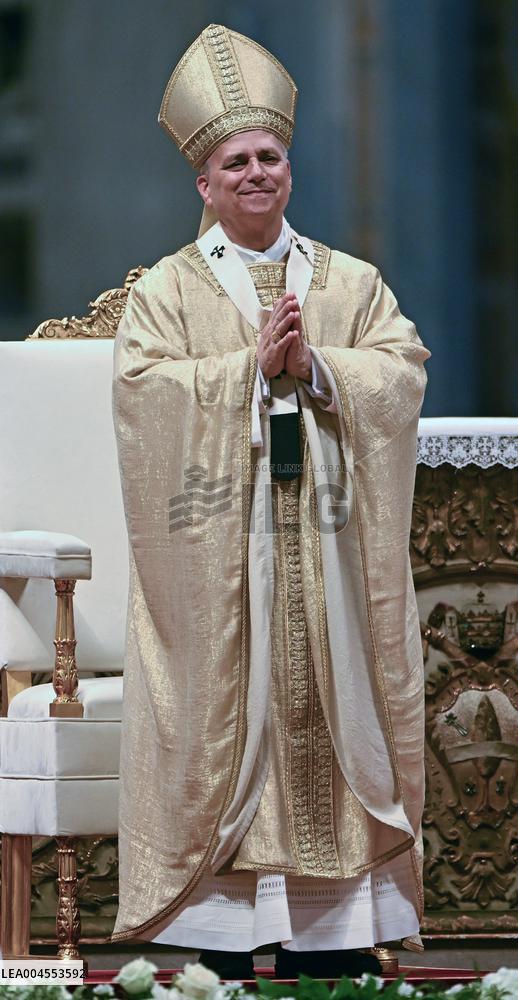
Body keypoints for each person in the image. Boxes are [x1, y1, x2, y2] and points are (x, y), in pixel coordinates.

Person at [111, 24, 431, 981]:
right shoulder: (165, 290)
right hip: (223, 555)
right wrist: (244, 377)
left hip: (329, 552)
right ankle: (221, 927)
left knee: (336, 696)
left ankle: (336, 927)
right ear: (203, 183)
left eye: (270, 156)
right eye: (235, 161)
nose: (256, 172)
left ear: (289, 168)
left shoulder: (348, 281)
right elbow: (141, 394)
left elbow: (402, 367)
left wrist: (321, 366)